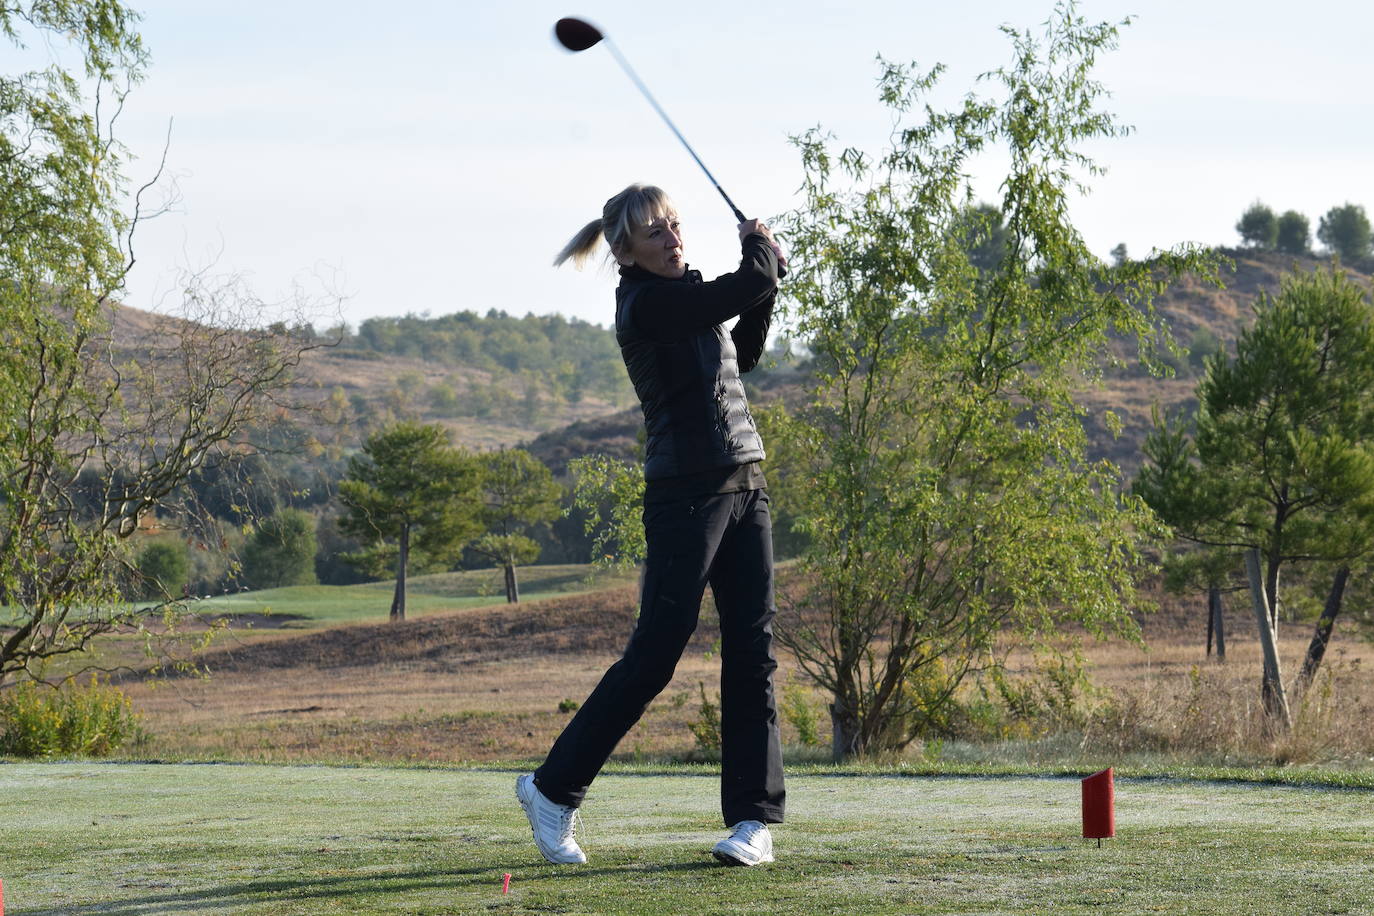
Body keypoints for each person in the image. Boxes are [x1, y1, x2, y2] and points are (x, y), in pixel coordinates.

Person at [516, 183, 785, 867]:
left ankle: (753, 821)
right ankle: (551, 791)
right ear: (626, 251)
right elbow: (741, 285)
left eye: (673, 225)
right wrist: (760, 253)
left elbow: (743, 351)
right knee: (655, 656)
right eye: (655, 233)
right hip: (685, 498)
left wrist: (768, 282)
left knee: (752, 654)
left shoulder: (687, 296)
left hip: (745, 483)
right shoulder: (647, 304)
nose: (673, 239)